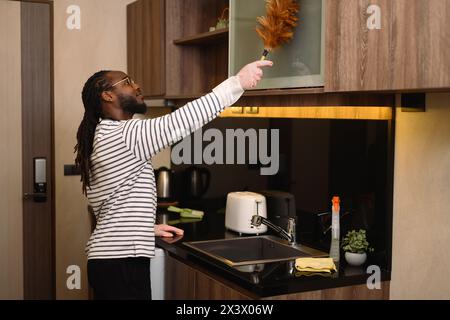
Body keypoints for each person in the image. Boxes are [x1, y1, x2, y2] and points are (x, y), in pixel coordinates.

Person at [74, 60, 273, 300]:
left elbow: (111, 204)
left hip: (111, 261)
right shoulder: (125, 134)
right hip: (121, 263)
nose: (137, 86)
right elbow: (182, 121)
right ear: (107, 95)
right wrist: (237, 82)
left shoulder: (102, 134)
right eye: (127, 82)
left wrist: (146, 229)